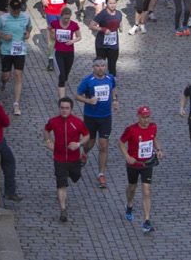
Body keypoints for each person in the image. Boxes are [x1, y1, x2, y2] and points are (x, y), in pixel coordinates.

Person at [44, 97, 89, 223]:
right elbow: (46, 130)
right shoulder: (54, 121)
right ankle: (63, 210)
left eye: (66, 108)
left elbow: (87, 135)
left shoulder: (78, 122)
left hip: (74, 158)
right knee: (61, 184)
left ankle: (77, 167)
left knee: (75, 177)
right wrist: (48, 141)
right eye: (62, 108)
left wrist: (78, 144)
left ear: (71, 109)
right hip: (59, 159)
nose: (64, 110)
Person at [119, 105, 162, 235]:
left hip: (147, 164)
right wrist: (127, 156)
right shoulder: (131, 130)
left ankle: (147, 221)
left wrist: (158, 149)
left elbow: (153, 138)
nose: (146, 120)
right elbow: (121, 142)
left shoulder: (153, 127)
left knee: (146, 191)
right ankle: (129, 204)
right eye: (144, 117)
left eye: (148, 117)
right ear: (138, 117)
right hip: (133, 165)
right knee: (132, 187)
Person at [75, 58, 116, 188]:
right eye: (97, 66)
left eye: (102, 66)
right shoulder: (88, 81)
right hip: (91, 117)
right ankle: (85, 153)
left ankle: (101, 174)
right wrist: (88, 101)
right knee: (90, 143)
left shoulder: (110, 78)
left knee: (103, 145)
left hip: (106, 117)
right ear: (93, 67)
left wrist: (114, 100)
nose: (100, 68)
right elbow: (77, 95)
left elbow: (113, 89)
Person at [0, 0, 32, 116]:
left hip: (20, 51)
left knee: (18, 76)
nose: (16, 12)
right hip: (7, 51)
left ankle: (16, 103)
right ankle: (3, 83)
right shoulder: (3, 18)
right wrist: (3, 36)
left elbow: (29, 26)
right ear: (10, 8)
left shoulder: (25, 17)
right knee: (6, 76)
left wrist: (27, 33)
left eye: (18, 9)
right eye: (14, 10)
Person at [50, 4, 81, 98]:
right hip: (58, 52)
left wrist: (73, 40)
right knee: (62, 75)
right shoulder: (55, 23)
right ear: (61, 16)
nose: (66, 20)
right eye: (64, 18)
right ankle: (62, 99)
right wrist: (49, 41)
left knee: (66, 73)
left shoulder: (74, 25)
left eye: (68, 18)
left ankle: (62, 87)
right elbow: (48, 29)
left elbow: (79, 36)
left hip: (69, 52)